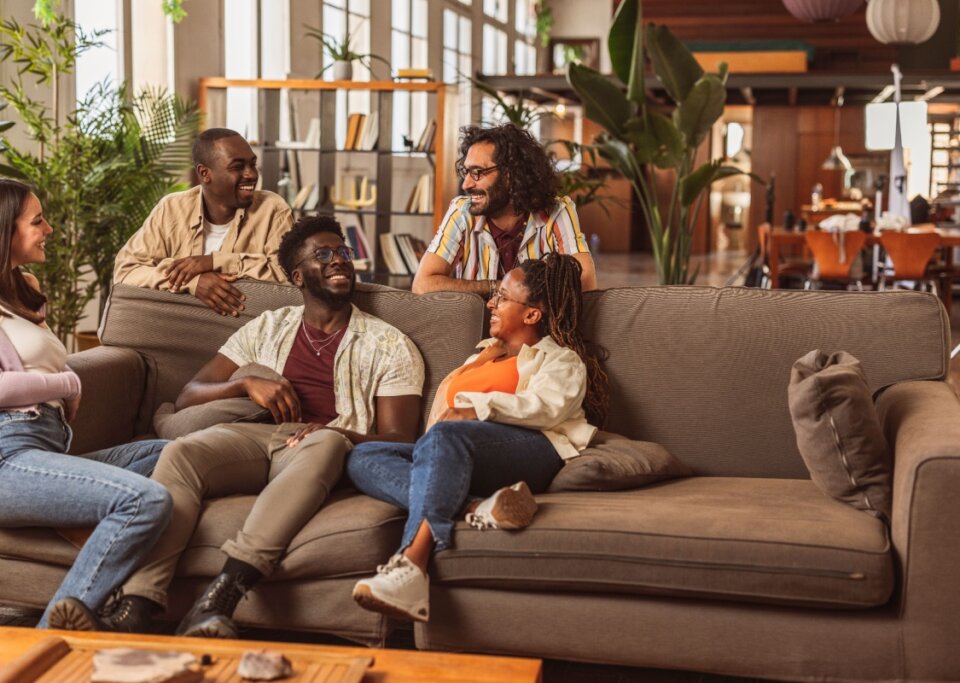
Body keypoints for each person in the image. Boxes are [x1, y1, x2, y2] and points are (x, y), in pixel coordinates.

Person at [50, 215, 426, 638]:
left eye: (343, 252)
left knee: (323, 445)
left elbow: (401, 439)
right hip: (257, 435)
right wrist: (245, 383)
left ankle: (221, 597)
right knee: (181, 453)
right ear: (298, 276)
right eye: (323, 254)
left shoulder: (389, 343)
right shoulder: (269, 326)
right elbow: (191, 393)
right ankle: (138, 602)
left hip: (326, 446)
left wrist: (339, 434)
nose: (339, 260)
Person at [0, 178, 172, 629]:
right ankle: (59, 627)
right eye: (37, 221)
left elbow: (31, 373)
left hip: (46, 450)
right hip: (2, 460)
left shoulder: (24, 286)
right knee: (145, 500)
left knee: (173, 453)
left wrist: (61, 386)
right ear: (1, 229)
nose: (50, 229)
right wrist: (67, 384)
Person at [349, 252, 608, 622]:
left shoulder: (560, 360)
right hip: (456, 450)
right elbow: (440, 424)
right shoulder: (481, 357)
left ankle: (411, 564)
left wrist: (477, 409)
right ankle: (477, 507)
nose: (491, 302)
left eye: (502, 297)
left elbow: (546, 407)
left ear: (532, 314)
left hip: (534, 450)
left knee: (446, 438)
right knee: (363, 457)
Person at [114, 128, 293, 317]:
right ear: (205, 173)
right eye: (237, 167)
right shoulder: (171, 209)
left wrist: (215, 262)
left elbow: (290, 278)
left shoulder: (273, 209)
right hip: (177, 330)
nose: (251, 175)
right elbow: (126, 271)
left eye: (253, 164)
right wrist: (193, 282)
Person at [413, 124, 597, 297]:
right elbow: (422, 285)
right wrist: (498, 287)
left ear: (510, 175)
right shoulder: (462, 211)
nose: (467, 184)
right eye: (466, 172)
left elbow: (585, 285)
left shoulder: (557, 212)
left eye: (477, 172)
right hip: (477, 328)